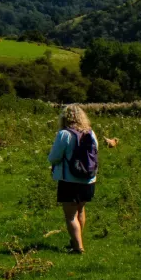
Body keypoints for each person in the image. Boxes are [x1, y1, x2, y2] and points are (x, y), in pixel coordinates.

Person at [48, 104, 98, 254]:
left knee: (70, 215)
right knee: (80, 210)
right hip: (88, 179)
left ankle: (78, 248)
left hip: (69, 180)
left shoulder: (64, 134)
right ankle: (77, 242)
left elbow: (54, 157)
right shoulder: (91, 133)